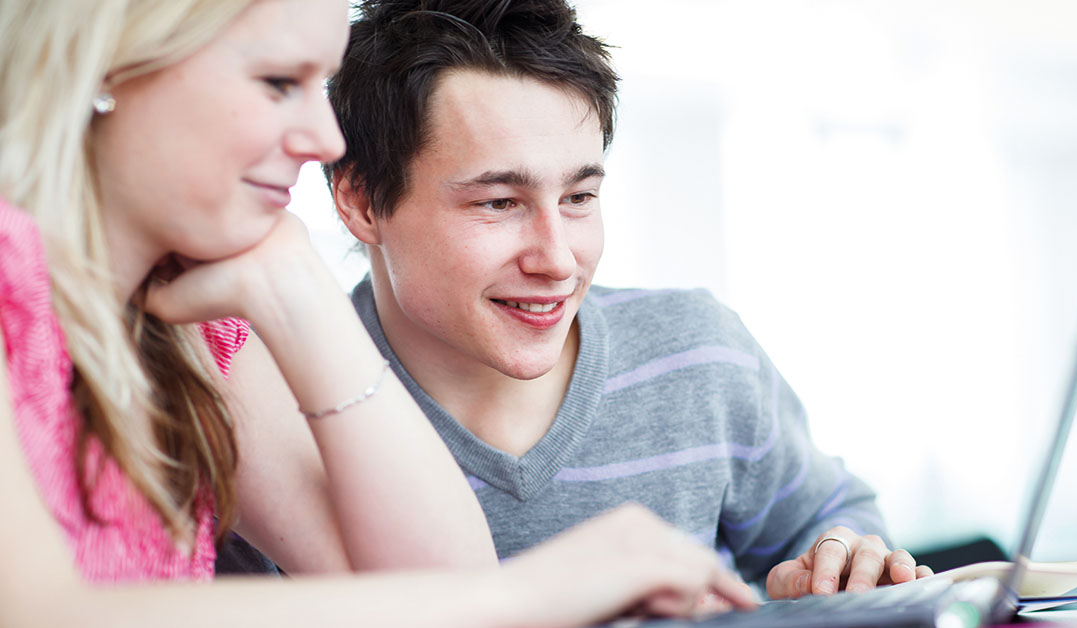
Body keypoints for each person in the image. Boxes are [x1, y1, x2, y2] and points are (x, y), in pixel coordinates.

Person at [0, 0, 756, 625]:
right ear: (109, 66)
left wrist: (299, 287)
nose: (323, 139)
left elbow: (437, 585)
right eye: (276, 81)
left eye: (320, 85)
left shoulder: (195, 333)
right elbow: (38, 611)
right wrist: (535, 589)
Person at [323, 0, 934, 602]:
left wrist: (838, 563)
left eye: (580, 197)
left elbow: (835, 520)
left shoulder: (697, 354)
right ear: (361, 202)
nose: (558, 259)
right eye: (499, 202)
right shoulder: (275, 418)